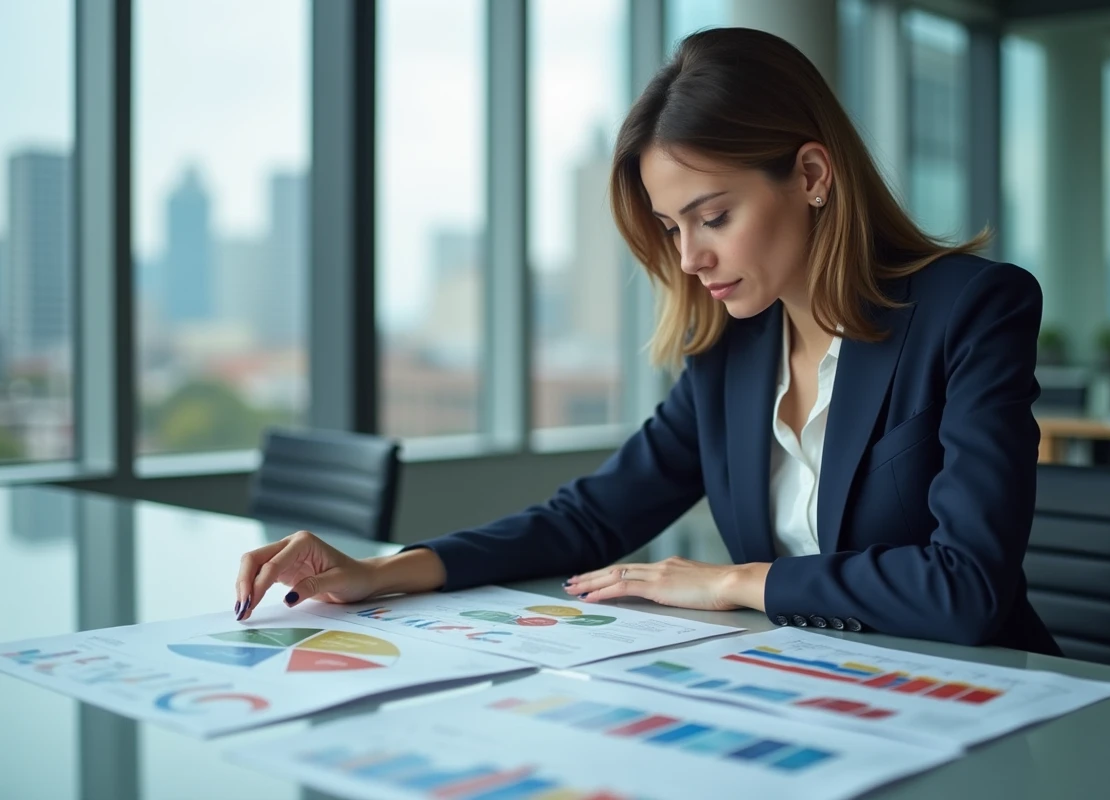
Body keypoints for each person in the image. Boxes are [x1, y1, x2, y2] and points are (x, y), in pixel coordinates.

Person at [233, 27, 1061, 656]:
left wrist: (733, 584)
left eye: (714, 217)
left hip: (989, 701)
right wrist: (385, 571)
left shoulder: (973, 310)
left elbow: (968, 588)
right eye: (671, 227)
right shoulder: (730, 356)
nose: (690, 258)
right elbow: (588, 517)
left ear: (811, 176)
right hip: (821, 694)